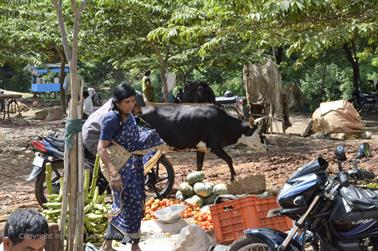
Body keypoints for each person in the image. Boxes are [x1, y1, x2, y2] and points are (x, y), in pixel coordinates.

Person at [97, 83, 163, 251]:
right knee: (122, 206)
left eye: (133, 101)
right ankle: (122, 245)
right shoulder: (111, 119)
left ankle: (120, 244)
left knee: (137, 204)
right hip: (120, 169)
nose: (131, 104)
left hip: (135, 167)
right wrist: (113, 173)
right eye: (127, 102)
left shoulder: (131, 116)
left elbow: (135, 138)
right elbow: (101, 147)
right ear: (117, 102)